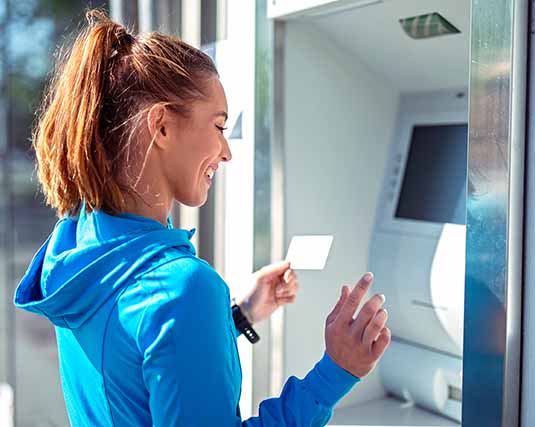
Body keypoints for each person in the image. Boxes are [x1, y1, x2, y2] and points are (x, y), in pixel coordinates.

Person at [13, 9, 391, 427]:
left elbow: (138, 365)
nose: (226, 152)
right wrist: (336, 372)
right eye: (218, 126)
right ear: (161, 127)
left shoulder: (81, 249)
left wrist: (238, 315)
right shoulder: (181, 290)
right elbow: (163, 324)